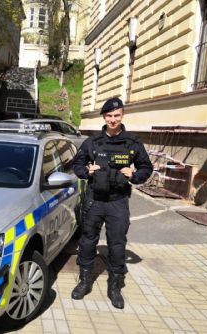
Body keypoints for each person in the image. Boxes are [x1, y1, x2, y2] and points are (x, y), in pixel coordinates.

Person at [70, 97, 153, 309]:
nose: (113, 119)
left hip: (118, 201)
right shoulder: (93, 142)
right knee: (88, 241)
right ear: (104, 117)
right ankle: (85, 281)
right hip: (94, 200)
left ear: (122, 115)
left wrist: (134, 175)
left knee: (117, 244)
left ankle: (114, 286)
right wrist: (86, 171)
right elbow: (77, 164)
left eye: (117, 115)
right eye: (109, 116)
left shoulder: (133, 144)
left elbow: (146, 168)